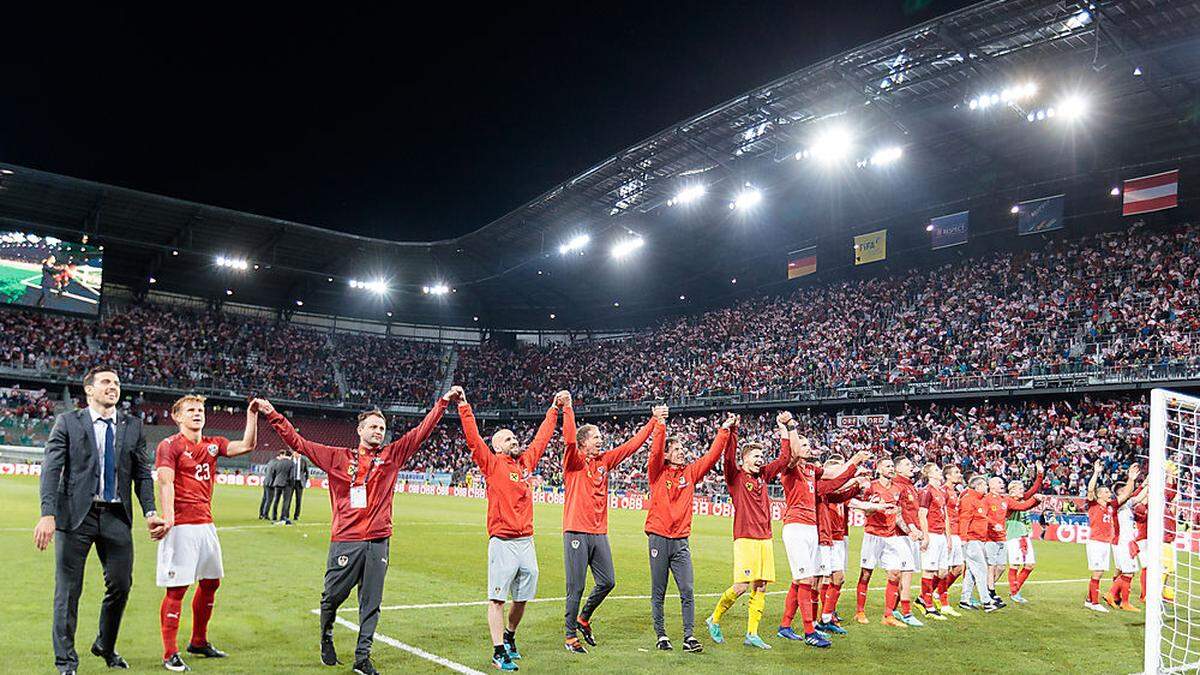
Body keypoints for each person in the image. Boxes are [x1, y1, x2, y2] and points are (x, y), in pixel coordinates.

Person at [257, 387, 456, 675]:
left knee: (371, 602)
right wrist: (273, 414)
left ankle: (362, 658)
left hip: (378, 541)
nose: (378, 431)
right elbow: (298, 443)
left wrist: (442, 403)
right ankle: (326, 634)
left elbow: (421, 432)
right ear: (360, 429)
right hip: (346, 541)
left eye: (382, 428)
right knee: (332, 597)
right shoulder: (337, 457)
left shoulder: (392, 455)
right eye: (373, 426)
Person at [35, 365, 167, 675]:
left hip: (116, 516)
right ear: (89, 390)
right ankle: (66, 662)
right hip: (75, 518)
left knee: (121, 584)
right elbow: (51, 470)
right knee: (68, 591)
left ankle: (105, 645)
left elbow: (141, 475)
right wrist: (47, 513)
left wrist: (150, 512)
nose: (113, 386)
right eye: (106, 382)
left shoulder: (132, 426)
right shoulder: (68, 422)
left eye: (117, 382)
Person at [457, 389, 564, 672]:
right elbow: (473, 440)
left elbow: (542, 437)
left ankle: (510, 637)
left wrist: (554, 408)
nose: (514, 440)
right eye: (507, 438)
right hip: (503, 542)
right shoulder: (492, 464)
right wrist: (464, 406)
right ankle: (497, 652)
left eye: (514, 437)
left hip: (526, 541)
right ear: (497, 447)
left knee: (523, 597)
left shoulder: (526, 463)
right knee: (497, 598)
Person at [154, 395, 259, 671]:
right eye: (191, 410)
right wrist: (169, 518)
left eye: (200, 410)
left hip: (206, 524)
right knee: (177, 589)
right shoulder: (169, 446)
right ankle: (169, 652)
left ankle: (198, 641)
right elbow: (165, 481)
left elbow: (247, 445)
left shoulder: (214, 444)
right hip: (181, 526)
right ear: (177, 416)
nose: (197, 413)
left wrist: (252, 415)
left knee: (211, 582)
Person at [560, 400, 656, 653]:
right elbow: (569, 439)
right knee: (576, 586)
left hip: (599, 532)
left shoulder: (604, 461)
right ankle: (570, 636)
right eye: (595, 437)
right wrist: (567, 408)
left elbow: (632, 446)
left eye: (601, 437)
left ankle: (583, 618)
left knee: (608, 581)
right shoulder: (573, 461)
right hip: (576, 531)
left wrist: (654, 422)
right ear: (583, 443)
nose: (601, 440)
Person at [776, 413, 868, 647]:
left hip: (811, 529)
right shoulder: (791, 468)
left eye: (809, 444)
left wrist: (855, 464)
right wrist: (790, 426)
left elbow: (834, 480)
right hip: (796, 525)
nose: (808, 448)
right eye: (804, 444)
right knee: (806, 580)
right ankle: (810, 632)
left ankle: (785, 626)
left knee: (800, 580)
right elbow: (792, 452)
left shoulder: (811, 472)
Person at [644, 409, 731, 654]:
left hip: (681, 541)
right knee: (658, 590)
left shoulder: (690, 473)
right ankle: (661, 635)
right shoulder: (657, 472)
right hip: (659, 539)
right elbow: (655, 451)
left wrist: (724, 430)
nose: (682, 452)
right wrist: (660, 424)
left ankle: (689, 636)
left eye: (683, 449)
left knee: (687, 589)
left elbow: (712, 456)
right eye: (677, 449)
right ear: (667, 454)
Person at [705, 415, 789, 650]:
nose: (760, 460)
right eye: (755, 456)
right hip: (745, 538)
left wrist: (782, 428)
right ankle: (714, 618)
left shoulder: (763, 476)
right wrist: (733, 430)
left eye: (762, 456)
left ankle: (752, 633)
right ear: (744, 461)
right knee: (741, 586)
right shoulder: (735, 477)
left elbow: (784, 459)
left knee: (761, 586)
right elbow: (728, 457)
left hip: (765, 539)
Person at [851, 458, 914, 627]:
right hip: (873, 535)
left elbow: (898, 514)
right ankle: (860, 611)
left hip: (891, 536)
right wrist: (873, 506)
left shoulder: (898, 489)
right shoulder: (871, 486)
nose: (891, 468)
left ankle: (888, 616)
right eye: (887, 466)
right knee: (866, 574)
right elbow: (865, 511)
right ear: (879, 469)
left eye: (892, 466)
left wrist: (909, 531)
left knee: (895, 573)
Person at [1084, 461, 1139, 613]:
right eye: (1107, 492)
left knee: (1099, 571)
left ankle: (1089, 600)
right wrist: (1096, 472)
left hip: (1105, 543)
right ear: (1100, 494)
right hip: (1096, 542)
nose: (1110, 494)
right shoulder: (1093, 504)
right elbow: (1090, 489)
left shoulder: (1111, 506)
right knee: (1098, 572)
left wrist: (1131, 479)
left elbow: (1127, 494)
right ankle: (1094, 603)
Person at [1003, 461, 1045, 603]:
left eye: (1022, 488)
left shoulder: (1022, 499)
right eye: (1019, 488)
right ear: (1012, 491)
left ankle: (1015, 590)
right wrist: (1036, 500)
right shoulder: (1008, 501)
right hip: (1013, 537)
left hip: (1024, 537)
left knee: (1030, 565)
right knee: (1014, 565)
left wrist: (1040, 473)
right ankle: (1014, 593)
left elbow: (1034, 489)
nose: (1022, 490)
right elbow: (1024, 507)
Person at [915, 463, 950, 620]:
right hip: (932, 534)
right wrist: (926, 535)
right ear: (929, 474)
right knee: (929, 570)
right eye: (936, 470)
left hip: (941, 535)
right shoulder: (926, 491)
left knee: (942, 572)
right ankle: (928, 606)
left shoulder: (942, 492)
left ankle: (922, 598)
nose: (939, 471)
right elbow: (922, 514)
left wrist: (948, 537)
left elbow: (945, 514)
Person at [958, 475, 995, 611]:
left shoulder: (981, 500)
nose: (986, 487)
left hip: (979, 539)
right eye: (985, 485)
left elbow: (982, 518)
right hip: (971, 539)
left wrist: (994, 524)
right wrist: (963, 538)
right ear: (978, 486)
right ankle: (986, 601)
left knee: (971, 572)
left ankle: (964, 599)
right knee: (981, 569)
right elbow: (964, 519)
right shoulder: (968, 499)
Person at [937, 464, 965, 615]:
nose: (959, 474)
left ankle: (932, 594)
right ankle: (943, 602)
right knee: (944, 568)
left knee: (958, 568)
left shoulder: (955, 491)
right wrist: (947, 536)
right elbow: (943, 515)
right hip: (947, 533)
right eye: (956, 472)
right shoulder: (943, 491)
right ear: (947, 476)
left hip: (956, 533)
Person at [281, 450, 310, 522]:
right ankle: (286, 515)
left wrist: (305, 481)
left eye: (298, 453)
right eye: (295, 453)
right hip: (290, 482)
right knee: (288, 499)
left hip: (299, 483)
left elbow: (307, 472)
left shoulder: (304, 460)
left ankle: (296, 516)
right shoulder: (290, 460)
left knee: (298, 500)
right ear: (293, 453)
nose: (296, 454)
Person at [270, 451, 295, 524]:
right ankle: (283, 517)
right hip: (286, 484)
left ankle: (274, 516)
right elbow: (292, 476)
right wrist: (292, 484)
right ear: (290, 456)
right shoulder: (291, 463)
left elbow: (274, 472)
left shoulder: (278, 462)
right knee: (286, 501)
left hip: (277, 482)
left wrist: (276, 480)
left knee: (276, 500)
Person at [257, 453, 283, 520]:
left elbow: (266, 470)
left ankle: (261, 514)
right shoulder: (278, 463)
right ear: (281, 455)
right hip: (271, 483)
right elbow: (276, 473)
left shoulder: (271, 461)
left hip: (266, 482)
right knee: (269, 500)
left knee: (264, 499)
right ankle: (265, 515)